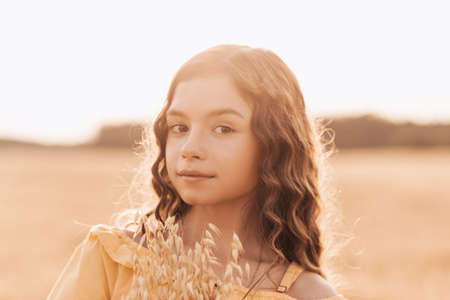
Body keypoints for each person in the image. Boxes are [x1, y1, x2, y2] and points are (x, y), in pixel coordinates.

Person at [47, 44, 347, 300]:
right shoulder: (113, 259)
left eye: (223, 128)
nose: (190, 148)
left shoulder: (307, 295)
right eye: (180, 127)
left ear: (275, 143)